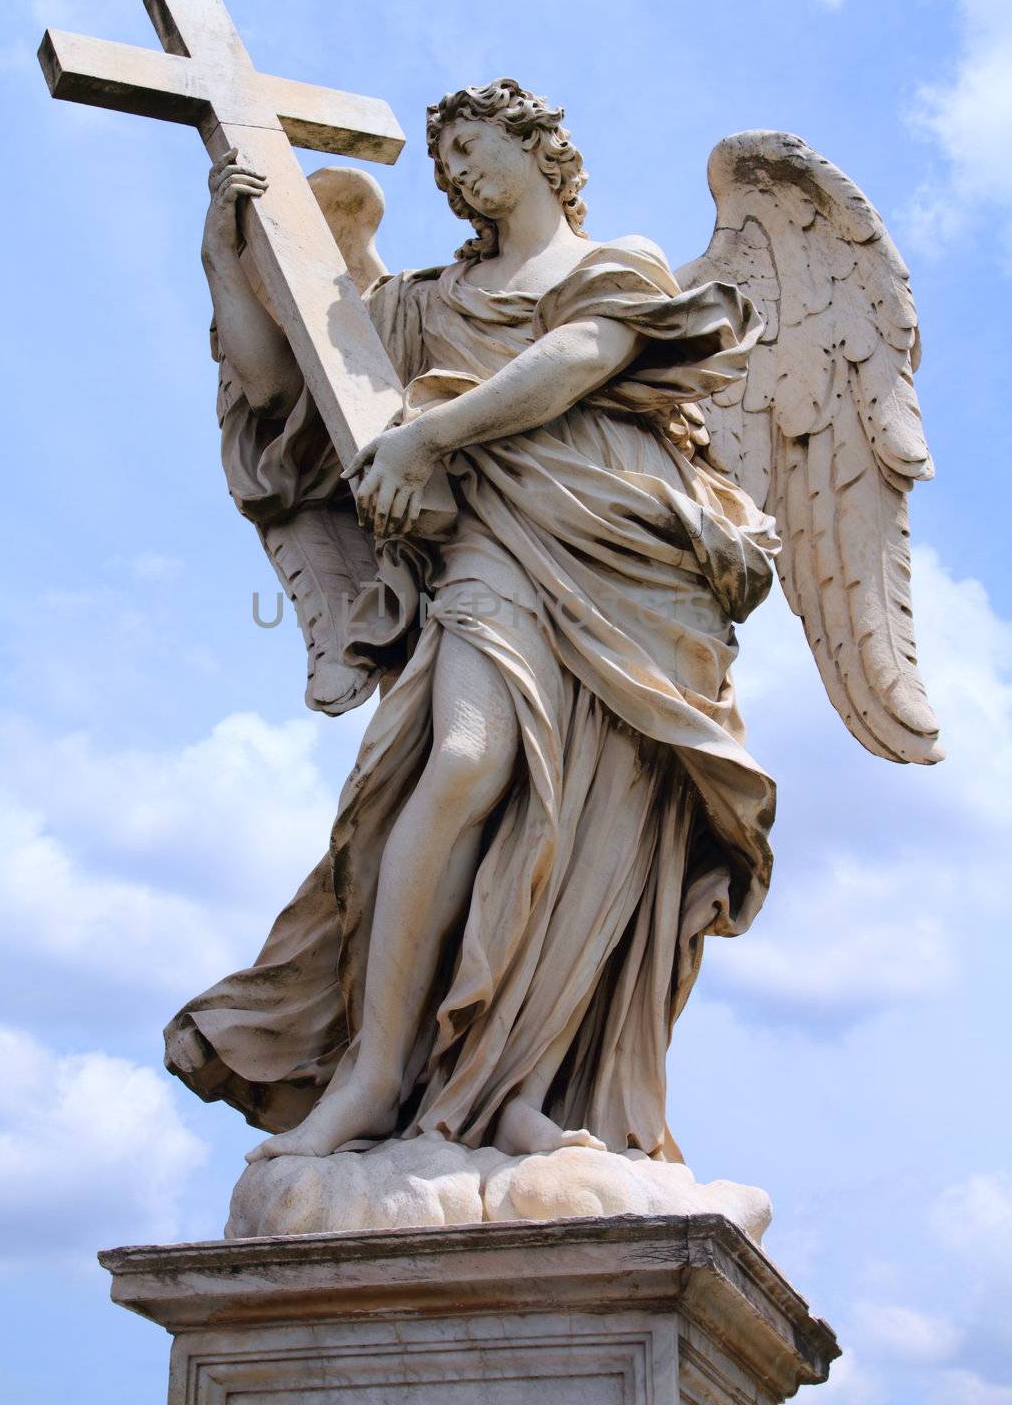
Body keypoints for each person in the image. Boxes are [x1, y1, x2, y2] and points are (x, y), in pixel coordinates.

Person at [165, 78, 779, 1163]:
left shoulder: (614, 263)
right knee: (463, 760)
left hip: (634, 561)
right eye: (441, 156)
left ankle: (525, 1088)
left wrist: (426, 436)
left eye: (471, 143)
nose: (454, 169)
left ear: (541, 146)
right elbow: (280, 387)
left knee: (599, 824)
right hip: (493, 548)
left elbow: (577, 360)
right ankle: (375, 1072)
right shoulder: (420, 302)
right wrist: (229, 252)